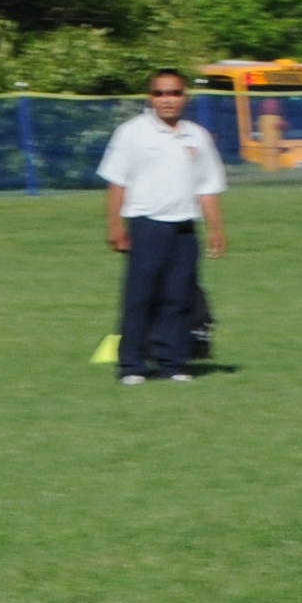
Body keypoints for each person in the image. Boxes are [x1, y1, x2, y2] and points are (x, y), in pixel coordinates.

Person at [97, 70, 227, 383]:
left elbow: (207, 186)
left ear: (185, 97)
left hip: (184, 227)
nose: (167, 100)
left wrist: (216, 228)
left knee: (178, 297)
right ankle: (132, 365)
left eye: (174, 93)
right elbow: (117, 182)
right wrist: (115, 225)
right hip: (146, 225)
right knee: (139, 297)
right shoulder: (131, 132)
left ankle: (173, 363)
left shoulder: (197, 136)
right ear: (150, 97)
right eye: (160, 93)